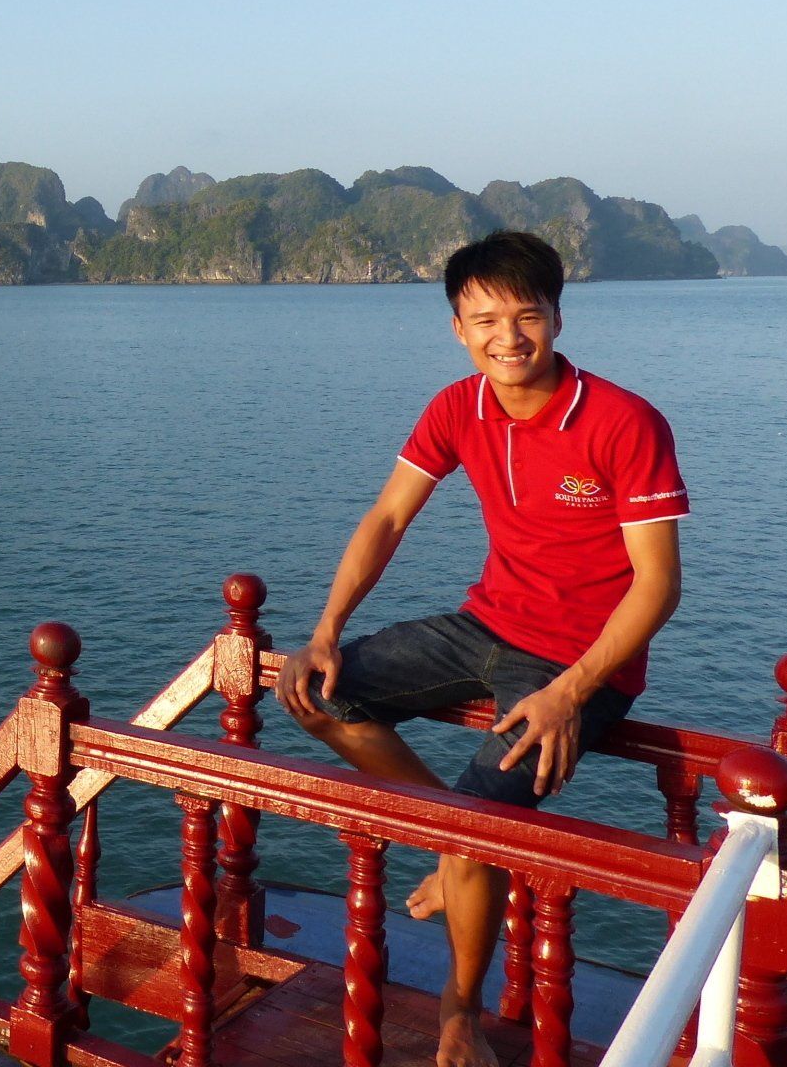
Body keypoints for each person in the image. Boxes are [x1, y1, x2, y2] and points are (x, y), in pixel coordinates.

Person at [273, 229, 688, 1067]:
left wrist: (572, 693)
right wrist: (323, 634)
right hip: (486, 624)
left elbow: (658, 585)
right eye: (485, 318)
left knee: (484, 808)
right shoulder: (457, 407)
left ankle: (459, 1006)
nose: (508, 336)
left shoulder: (622, 421)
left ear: (559, 318)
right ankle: (457, 847)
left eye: (526, 314)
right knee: (321, 693)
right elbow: (388, 519)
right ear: (459, 329)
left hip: (578, 664)